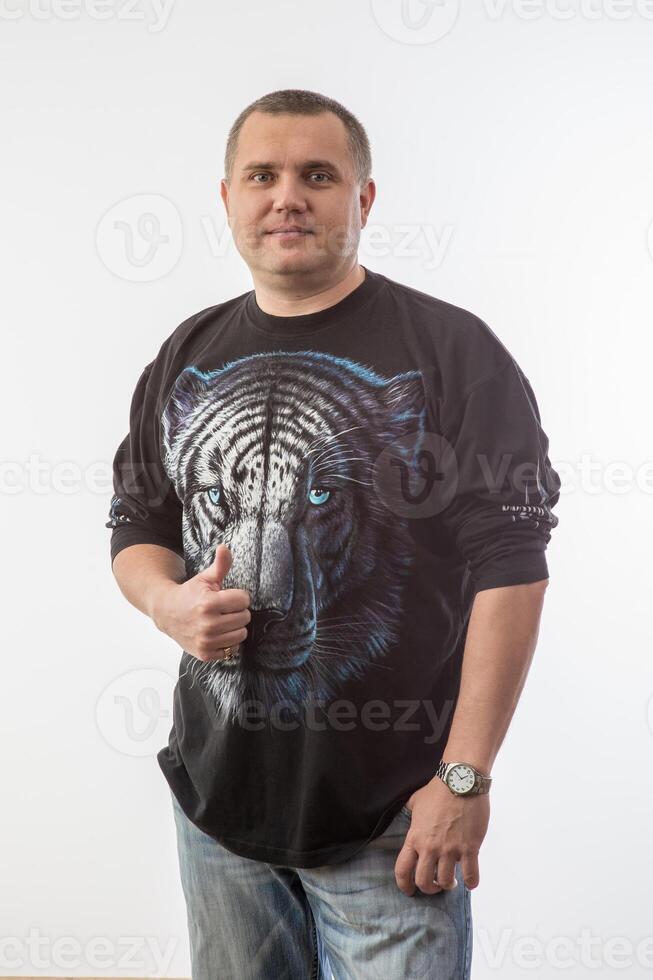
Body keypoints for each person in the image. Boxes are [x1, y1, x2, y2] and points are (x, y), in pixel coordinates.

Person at [106, 88, 560, 980]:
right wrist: (166, 602)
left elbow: (510, 563)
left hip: (392, 812)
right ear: (228, 198)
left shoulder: (449, 352)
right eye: (262, 175)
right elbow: (138, 521)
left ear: (363, 198)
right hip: (218, 805)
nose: (288, 197)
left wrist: (463, 780)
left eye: (318, 174)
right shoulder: (185, 355)